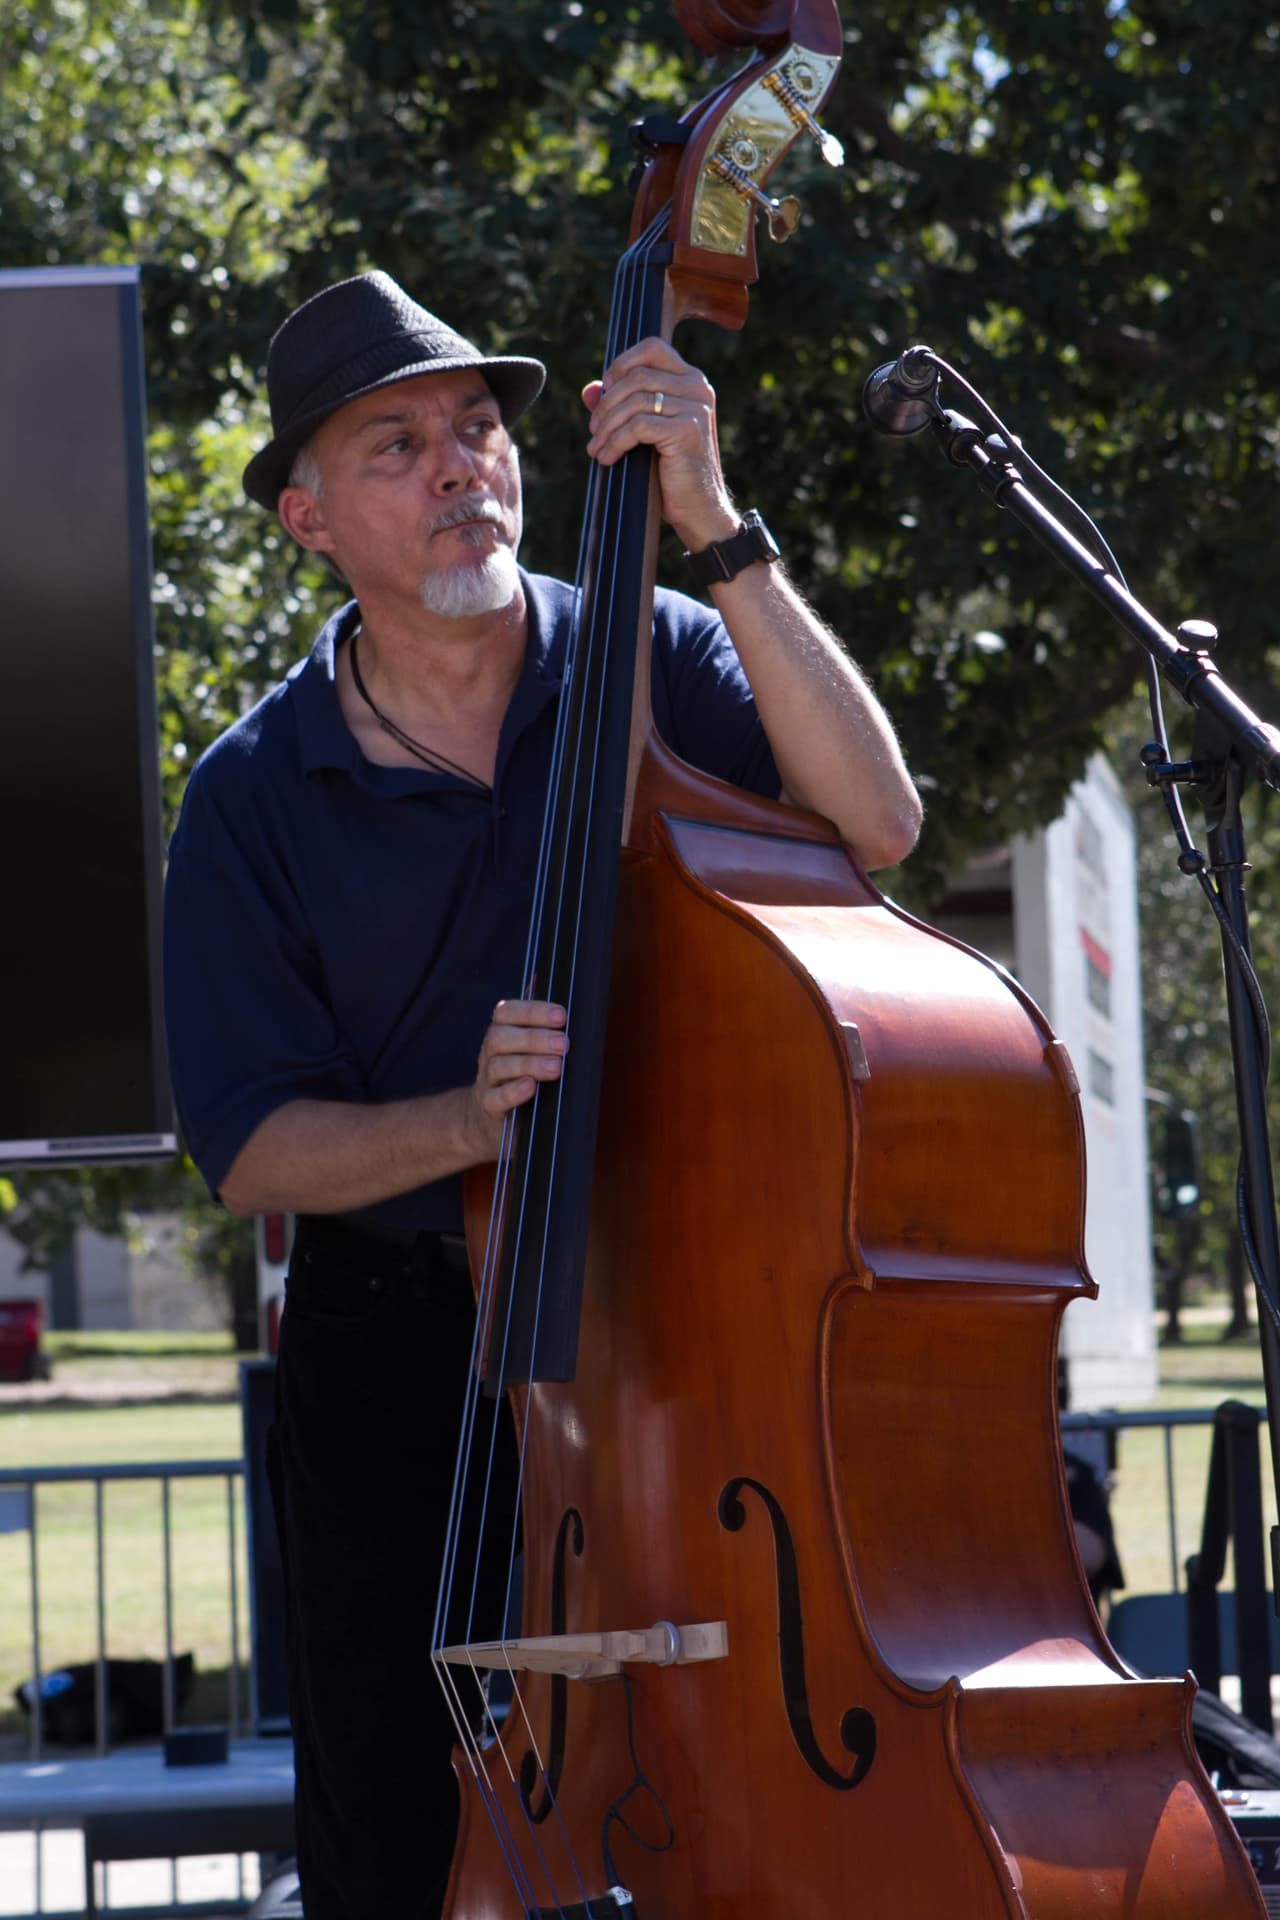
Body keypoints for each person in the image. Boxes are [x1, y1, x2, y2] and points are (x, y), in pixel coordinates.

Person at [163, 269, 921, 1920]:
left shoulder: (661, 645)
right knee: (404, 1832)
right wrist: (464, 1124)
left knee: (735, 1773)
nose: (462, 468)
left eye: (480, 429)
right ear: (307, 518)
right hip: (403, 1362)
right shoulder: (247, 797)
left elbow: (876, 818)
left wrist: (718, 525)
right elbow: (247, 1145)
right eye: (397, 447)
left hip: (684, 1342)